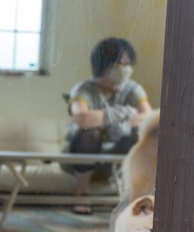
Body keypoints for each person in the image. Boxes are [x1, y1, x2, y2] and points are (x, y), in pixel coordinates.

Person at [64, 37, 152, 215]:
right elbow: (82, 118)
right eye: (120, 64)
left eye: (129, 64)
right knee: (90, 133)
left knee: (135, 136)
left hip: (113, 156)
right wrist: (123, 113)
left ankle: (128, 198)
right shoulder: (83, 89)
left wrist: (106, 121)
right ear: (103, 65)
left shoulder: (132, 88)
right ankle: (82, 194)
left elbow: (147, 117)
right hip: (79, 156)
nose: (125, 69)